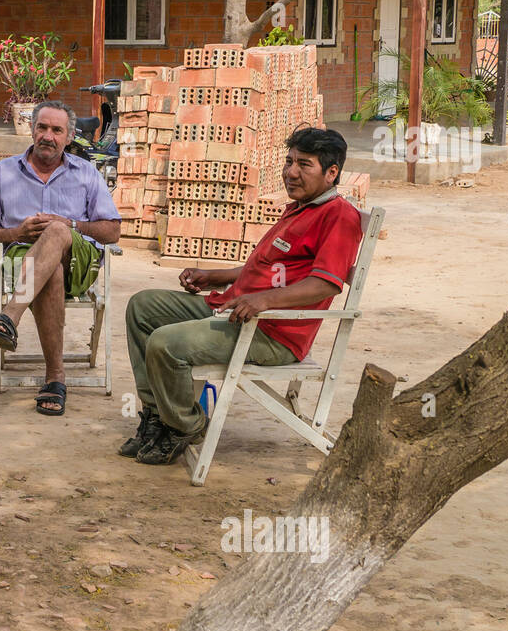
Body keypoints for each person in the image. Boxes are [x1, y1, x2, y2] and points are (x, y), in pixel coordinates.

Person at [121, 125, 364, 464]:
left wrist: (263, 300)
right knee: (142, 307)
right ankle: (157, 417)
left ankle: (185, 425)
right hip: (235, 310)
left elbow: (326, 283)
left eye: (304, 164)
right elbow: (262, 269)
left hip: (271, 332)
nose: (291, 173)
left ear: (332, 172)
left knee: (165, 343)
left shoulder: (338, 216)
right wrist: (212, 276)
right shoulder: (298, 207)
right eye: (289, 161)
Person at [0, 100, 121, 415]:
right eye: (42, 127)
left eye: (57, 130)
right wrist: (16, 233)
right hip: (24, 259)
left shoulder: (86, 173)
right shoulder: (4, 172)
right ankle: (55, 379)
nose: (48, 136)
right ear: (32, 129)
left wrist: (71, 224)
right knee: (49, 271)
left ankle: (9, 316)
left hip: (79, 263)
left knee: (57, 230)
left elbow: (112, 231)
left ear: (69, 137)